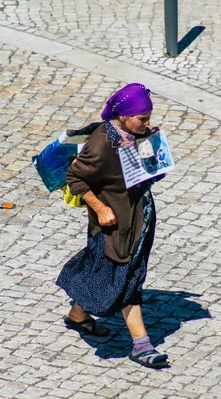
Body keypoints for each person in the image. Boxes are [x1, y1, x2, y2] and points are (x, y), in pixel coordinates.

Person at [56, 83, 169, 369]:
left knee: (102, 270)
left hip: (137, 218)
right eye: (142, 118)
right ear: (122, 116)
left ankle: (78, 315)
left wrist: (155, 154)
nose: (147, 123)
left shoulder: (135, 133)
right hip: (113, 223)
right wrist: (101, 208)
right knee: (127, 280)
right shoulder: (101, 144)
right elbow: (76, 178)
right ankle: (142, 346)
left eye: (149, 117)